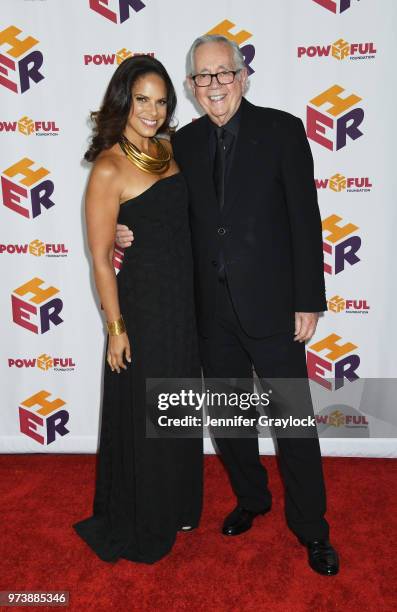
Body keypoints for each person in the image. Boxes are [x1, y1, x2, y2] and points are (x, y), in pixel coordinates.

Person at [116, 35, 340, 575]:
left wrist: (310, 299)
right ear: (191, 88)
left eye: (222, 73)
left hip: (274, 308)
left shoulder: (283, 130)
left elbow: (305, 221)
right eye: (201, 77)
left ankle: (312, 529)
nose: (213, 85)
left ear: (242, 76)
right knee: (231, 419)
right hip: (209, 313)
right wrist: (127, 230)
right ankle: (253, 499)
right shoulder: (182, 144)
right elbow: (161, 209)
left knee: (294, 424)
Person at [72, 55, 203, 564]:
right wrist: (116, 328)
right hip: (143, 308)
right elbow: (101, 259)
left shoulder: (171, 149)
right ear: (124, 100)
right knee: (150, 410)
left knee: (179, 406)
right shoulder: (108, 167)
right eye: (142, 99)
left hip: (183, 305)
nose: (152, 110)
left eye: (161, 100)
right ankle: (146, 519)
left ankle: (178, 505)